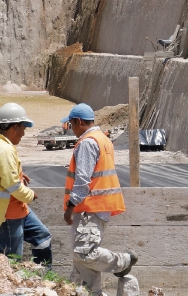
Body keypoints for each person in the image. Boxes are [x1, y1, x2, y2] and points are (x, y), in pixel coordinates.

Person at [62, 103, 137, 296]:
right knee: (81, 258)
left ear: (78, 121)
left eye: (71, 125)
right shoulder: (102, 139)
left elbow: (83, 179)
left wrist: (71, 206)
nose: (71, 129)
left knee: (85, 252)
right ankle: (91, 292)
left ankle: (123, 261)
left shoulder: (87, 142)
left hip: (89, 207)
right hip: (95, 207)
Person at [0, 103, 52, 265]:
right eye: (23, 127)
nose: (23, 133)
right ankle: (11, 288)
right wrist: (29, 195)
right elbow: (11, 185)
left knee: (42, 236)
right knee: (11, 260)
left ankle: (41, 280)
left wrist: (18, 173)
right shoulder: (5, 150)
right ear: (14, 127)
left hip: (15, 210)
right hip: (7, 214)